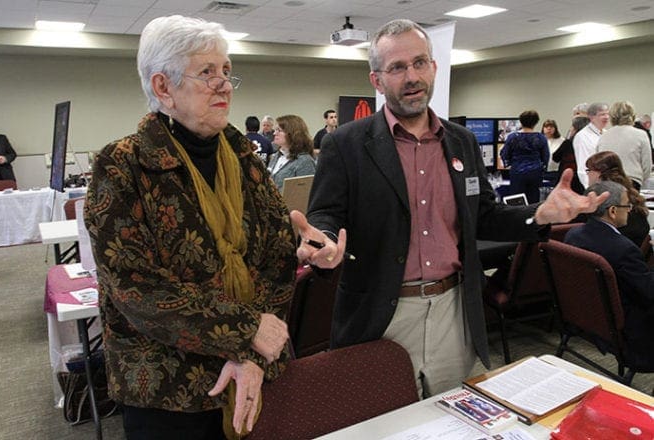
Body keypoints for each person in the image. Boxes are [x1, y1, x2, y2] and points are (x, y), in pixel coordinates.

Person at [289, 19, 608, 399]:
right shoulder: (346, 144)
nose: (412, 76)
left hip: (453, 311)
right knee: (380, 421)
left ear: (434, 67)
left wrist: (540, 215)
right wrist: (323, 241)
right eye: (397, 67)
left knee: (449, 416)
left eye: (420, 62)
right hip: (381, 314)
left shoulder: (462, 142)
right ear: (377, 80)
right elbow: (327, 214)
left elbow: (484, 216)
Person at [84, 15, 296, 440]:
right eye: (206, 72)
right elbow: (135, 289)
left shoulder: (244, 156)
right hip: (168, 391)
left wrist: (255, 350)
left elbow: (278, 254)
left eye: (226, 72)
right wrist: (246, 332)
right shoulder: (122, 165)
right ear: (163, 87)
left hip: (253, 373)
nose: (223, 84)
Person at [565, 181, 654, 369]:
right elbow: (649, 293)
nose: (630, 210)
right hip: (631, 329)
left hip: (589, 318)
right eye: (627, 205)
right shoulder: (624, 250)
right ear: (613, 211)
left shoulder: (573, 235)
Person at [585, 151, 650, 246]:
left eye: (588, 170)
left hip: (614, 248)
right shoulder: (628, 192)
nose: (587, 174)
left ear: (599, 173)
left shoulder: (602, 198)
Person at [596, 101, 651, 191]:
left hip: (608, 183)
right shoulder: (641, 134)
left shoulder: (603, 136)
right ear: (633, 115)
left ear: (612, 116)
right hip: (632, 181)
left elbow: (598, 163)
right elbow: (646, 166)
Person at [500, 110, 550, 203]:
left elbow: (505, 153)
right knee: (534, 200)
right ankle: (531, 217)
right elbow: (545, 156)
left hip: (517, 172)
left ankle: (517, 217)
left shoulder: (513, 137)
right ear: (535, 122)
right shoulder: (541, 137)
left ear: (521, 121)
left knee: (516, 199)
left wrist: (510, 163)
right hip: (535, 172)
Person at [266, 114, 316, 193]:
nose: (274, 133)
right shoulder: (276, 156)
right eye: (275, 130)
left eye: (279, 130)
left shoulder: (305, 161)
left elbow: (305, 194)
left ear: (291, 133)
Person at [573, 102, 609, 189]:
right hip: (593, 185)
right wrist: (589, 188)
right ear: (592, 117)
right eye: (602, 114)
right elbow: (583, 167)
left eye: (607, 114)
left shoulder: (606, 133)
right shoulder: (582, 136)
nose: (606, 117)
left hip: (607, 182)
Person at [552, 116, 589, 195]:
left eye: (572, 127)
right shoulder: (589, 143)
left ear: (576, 128)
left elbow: (555, 157)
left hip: (567, 180)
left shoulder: (568, 143)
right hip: (583, 180)